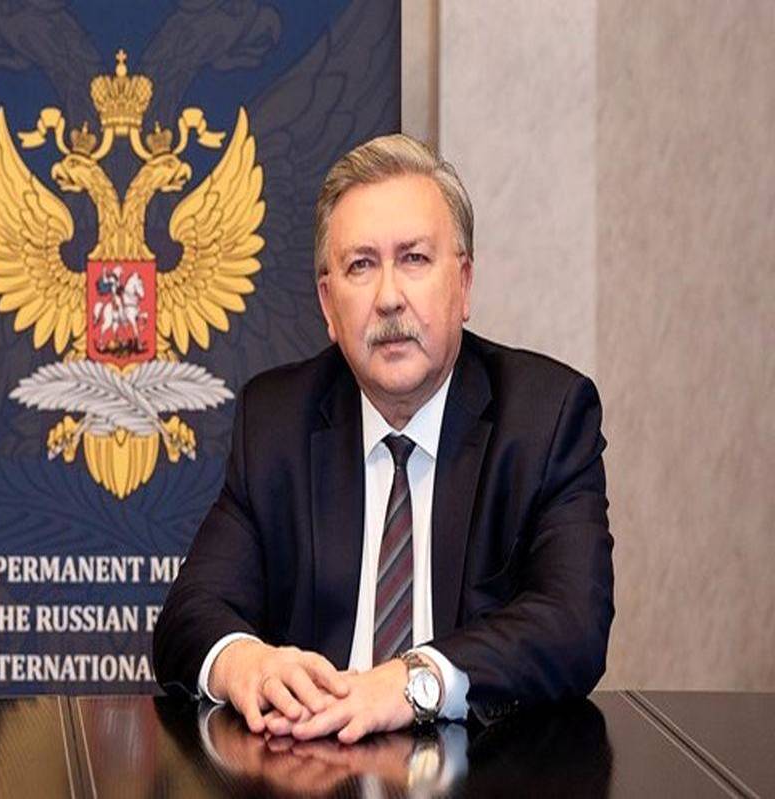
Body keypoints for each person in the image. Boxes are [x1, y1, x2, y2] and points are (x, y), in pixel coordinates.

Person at [152, 133, 614, 740]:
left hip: (488, 767)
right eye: (361, 265)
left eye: (414, 259)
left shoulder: (545, 419)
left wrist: (411, 682)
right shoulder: (278, 421)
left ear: (464, 283)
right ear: (328, 304)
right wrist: (249, 663)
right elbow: (188, 616)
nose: (389, 298)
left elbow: (574, 623)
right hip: (314, 766)